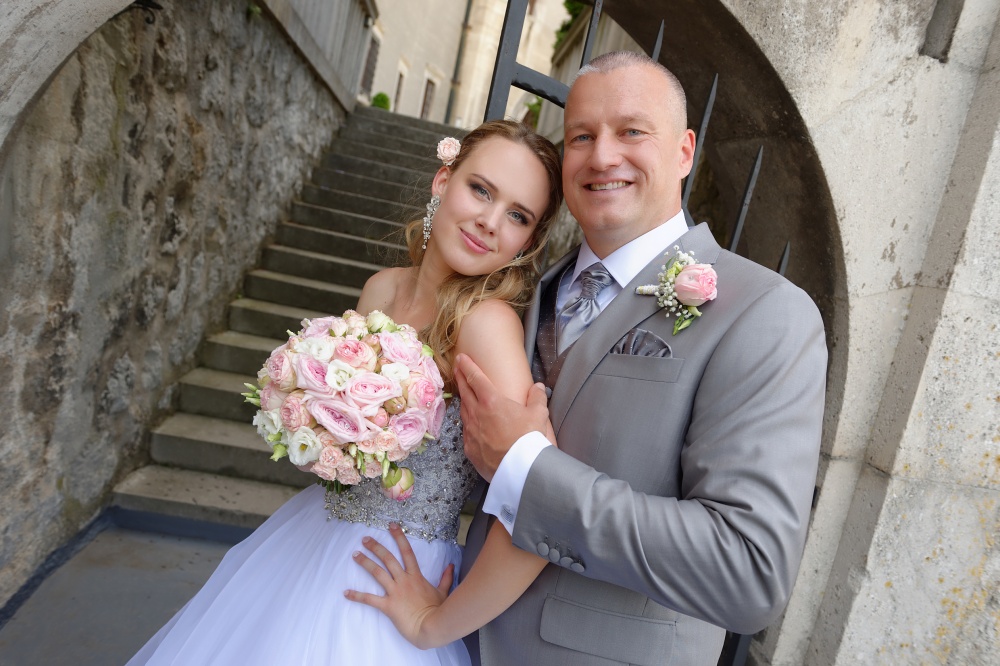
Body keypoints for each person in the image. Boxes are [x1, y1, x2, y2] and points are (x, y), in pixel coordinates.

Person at [351, 51, 828, 666]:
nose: (602, 156)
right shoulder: (520, 295)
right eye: (581, 136)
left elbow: (748, 572)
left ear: (684, 152)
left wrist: (530, 471)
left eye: (631, 131)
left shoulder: (763, 312)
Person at [126, 119, 563, 666]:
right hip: (313, 537)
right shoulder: (382, 288)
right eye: (481, 189)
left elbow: (540, 510)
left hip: (393, 570)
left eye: (518, 215)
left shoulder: (486, 324)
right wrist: (315, 426)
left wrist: (436, 625)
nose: (490, 222)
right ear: (442, 181)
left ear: (528, 241)